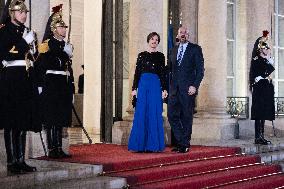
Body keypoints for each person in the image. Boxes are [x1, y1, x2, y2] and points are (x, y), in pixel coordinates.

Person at [0, 0, 40, 174]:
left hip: (26, 79)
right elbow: (5, 54)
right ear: (12, 13)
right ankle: (11, 161)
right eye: (20, 12)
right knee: (11, 121)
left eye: (25, 12)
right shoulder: (4, 31)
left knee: (23, 121)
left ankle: (21, 159)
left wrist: (33, 46)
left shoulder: (28, 32)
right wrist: (24, 42)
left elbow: (35, 57)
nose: (24, 15)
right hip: (11, 79)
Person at [36, 4, 74, 158]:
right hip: (50, 82)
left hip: (61, 83)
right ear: (54, 29)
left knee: (60, 116)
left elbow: (67, 69)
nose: (64, 29)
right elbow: (40, 66)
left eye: (65, 27)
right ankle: (52, 148)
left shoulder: (65, 46)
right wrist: (40, 86)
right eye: (61, 27)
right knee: (51, 117)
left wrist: (71, 86)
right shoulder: (47, 45)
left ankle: (59, 147)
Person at [128, 32, 168, 152]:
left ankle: (152, 145)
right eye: (152, 39)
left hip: (155, 85)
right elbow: (137, 73)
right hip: (143, 85)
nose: (154, 41)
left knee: (154, 112)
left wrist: (164, 89)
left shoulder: (161, 56)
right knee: (141, 112)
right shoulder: (141, 55)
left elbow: (163, 74)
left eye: (156, 40)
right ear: (148, 40)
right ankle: (139, 145)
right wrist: (134, 89)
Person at [167, 26, 204, 153]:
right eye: (181, 32)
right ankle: (181, 141)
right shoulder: (173, 50)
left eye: (186, 33)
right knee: (171, 115)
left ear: (188, 35)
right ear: (178, 35)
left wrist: (195, 85)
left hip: (188, 89)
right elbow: (170, 70)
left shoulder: (195, 49)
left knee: (186, 117)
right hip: (174, 90)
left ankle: (184, 144)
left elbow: (200, 70)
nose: (183, 34)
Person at [249, 30, 275, 145]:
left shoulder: (265, 60)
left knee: (264, 113)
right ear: (260, 49)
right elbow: (265, 72)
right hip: (259, 88)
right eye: (265, 48)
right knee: (259, 113)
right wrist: (269, 62)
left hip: (266, 88)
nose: (267, 50)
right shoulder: (257, 60)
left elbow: (267, 72)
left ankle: (262, 136)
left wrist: (269, 61)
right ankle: (257, 137)